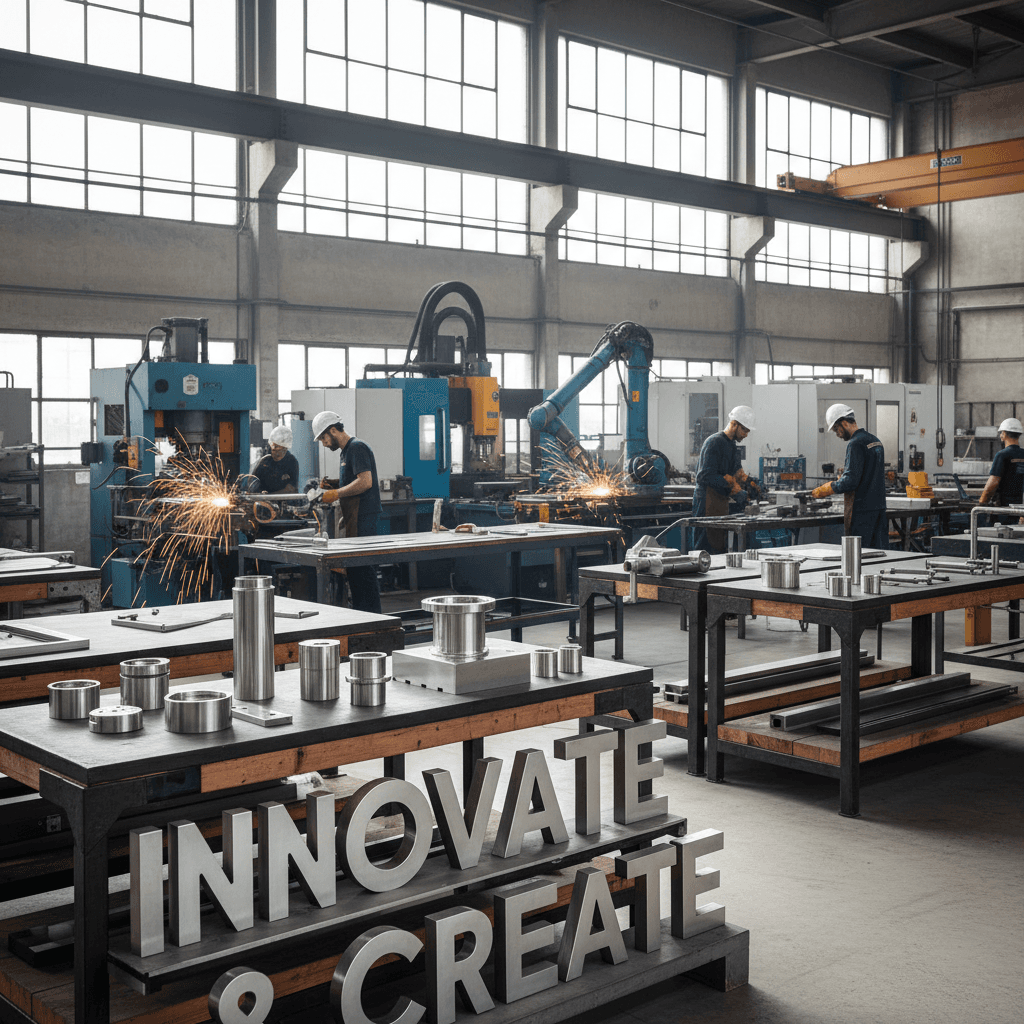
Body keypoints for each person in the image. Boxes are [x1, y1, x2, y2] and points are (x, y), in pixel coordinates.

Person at [308, 411, 382, 614]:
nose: (323, 443)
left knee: (362, 571)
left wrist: (335, 493)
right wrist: (333, 485)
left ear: (333, 430)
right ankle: (362, 617)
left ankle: (371, 620)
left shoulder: (357, 447)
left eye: (323, 438)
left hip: (363, 517)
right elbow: (353, 480)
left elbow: (365, 482)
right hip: (355, 517)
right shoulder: (346, 452)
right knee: (356, 572)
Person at [811, 403, 888, 549]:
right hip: (879, 509)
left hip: (861, 512)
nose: (837, 434)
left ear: (844, 422)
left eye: (836, 429)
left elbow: (850, 482)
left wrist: (827, 488)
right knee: (878, 554)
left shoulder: (855, 444)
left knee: (858, 556)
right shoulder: (875, 441)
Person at [691, 405, 755, 554]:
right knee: (704, 548)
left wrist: (750, 483)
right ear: (734, 424)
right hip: (706, 502)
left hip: (720, 503)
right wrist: (729, 486)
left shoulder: (732, 446)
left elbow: (737, 472)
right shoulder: (714, 442)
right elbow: (704, 475)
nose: (746, 435)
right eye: (744, 430)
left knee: (718, 546)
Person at [978, 417, 1024, 511]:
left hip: (1003, 508)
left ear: (1003, 434)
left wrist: (981, 503)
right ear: (1019, 435)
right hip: (1020, 507)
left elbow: (993, 482)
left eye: (1001, 433)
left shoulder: (1002, 455)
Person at [252, 425, 300, 494]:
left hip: (284, 501)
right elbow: (254, 480)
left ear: (285, 447)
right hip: (264, 501)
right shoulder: (265, 460)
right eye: (273, 446)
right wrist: (259, 492)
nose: (273, 449)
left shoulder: (291, 462)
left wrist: (270, 496)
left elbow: (291, 489)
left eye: (277, 446)